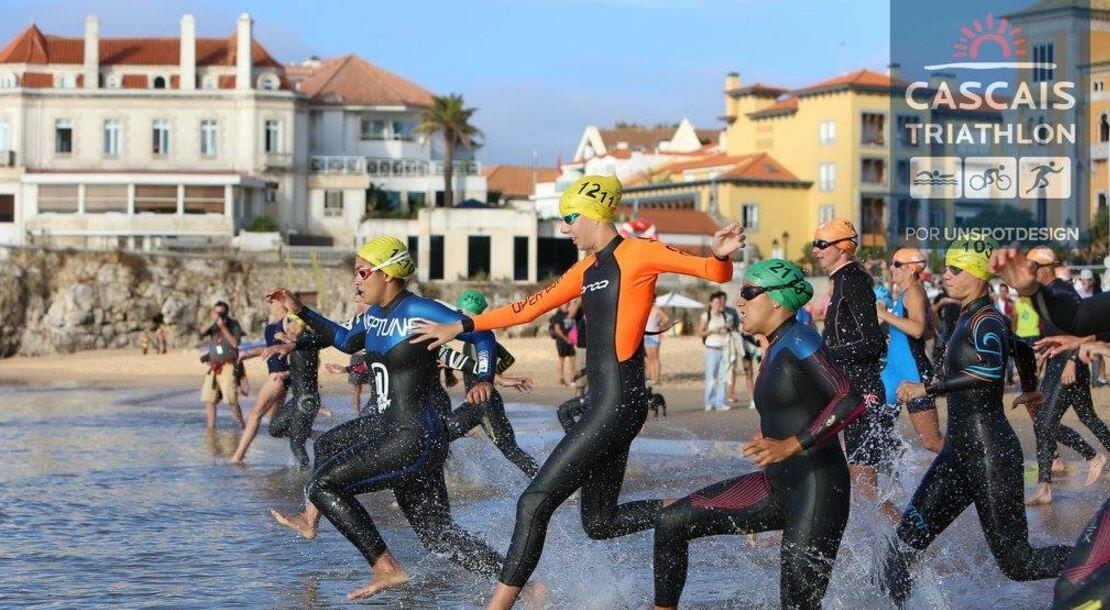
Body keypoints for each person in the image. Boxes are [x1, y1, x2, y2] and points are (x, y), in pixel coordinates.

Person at [409, 174, 744, 610]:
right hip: (604, 403)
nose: (565, 228)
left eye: (569, 218)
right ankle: (705, 509)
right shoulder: (587, 269)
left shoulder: (638, 252)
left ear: (593, 213)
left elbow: (710, 270)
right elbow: (527, 306)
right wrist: (463, 325)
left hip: (619, 402)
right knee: (600, 522)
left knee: (533, 502)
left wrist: (718, 255)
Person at [265, 236, 503, 601]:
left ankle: (386, 567)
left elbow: (481, 330)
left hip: (416, 435)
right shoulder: (374, 316)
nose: (356, 280)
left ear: (388, 274)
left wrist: (484, 378)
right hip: (393, 429)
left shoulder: (418, 310)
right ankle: (522, 584)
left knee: (325, 484)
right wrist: (301, 310)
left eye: (362, 272)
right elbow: (344, 341)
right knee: (438, 534)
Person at [651, 259, 864, 610]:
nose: (739, 301)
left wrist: (791, 444)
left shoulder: (801, 338)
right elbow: (797, 405)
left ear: (778, 300)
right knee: (672, 521)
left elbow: (850, 398)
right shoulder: (775, 346)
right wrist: (770, 435)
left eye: (749, 292)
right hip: (777, 484)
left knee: (797, 604)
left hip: (817, 488)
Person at [883, 234, 1070, 604]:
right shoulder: (974, 316)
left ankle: (1098, 559)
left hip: (990, 454)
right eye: (947, 268)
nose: (945, 275)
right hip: (958, 455)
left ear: (978, 273)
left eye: (955, 269)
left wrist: (928, 388)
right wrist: (1031, 389)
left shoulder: (985, 318)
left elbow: (989, 370)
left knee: (1018, 562)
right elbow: (1022, 349)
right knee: (902, 548)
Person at [809, 218, 897, 522]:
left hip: (863, 391)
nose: (815, 251)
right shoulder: (844, 280)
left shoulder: (854, 281)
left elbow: (872, 342)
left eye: (821, 244)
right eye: (815, 244)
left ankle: (911, 538)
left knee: (864, 485)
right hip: (849, 389)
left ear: (842, 247)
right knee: (849, 477)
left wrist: (824, 354)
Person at [1021, 247, 1109, 505]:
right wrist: (1043, 356)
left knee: (1043, 422)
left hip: (1068, 367)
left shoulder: (1062, 291)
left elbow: (1084, 327)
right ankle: (1051, 481)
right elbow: (1055, 332)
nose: (1027, 272)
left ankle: (1085, 460)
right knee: (1087, 416)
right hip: (1058, 364)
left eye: (1031, 267)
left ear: (1043, 269)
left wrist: (1072, 362)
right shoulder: (1048, 295)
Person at [443, 289, 540, 478]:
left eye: (460, 312)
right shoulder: (482, 337)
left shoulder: (476, 338)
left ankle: (547, 483)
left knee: (511, 451)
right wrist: (498, 373)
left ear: (471, 313)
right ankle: (448, 479)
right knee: (438, 438)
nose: (457, 316)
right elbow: (508, 359)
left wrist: (498, 378)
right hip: (474, 404)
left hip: (486, 405)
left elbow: (479, 367)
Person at [876, 248, 944, 454]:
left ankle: (972, 463)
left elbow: (917, 329)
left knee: (932, 442)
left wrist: (884, 315)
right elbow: (934, 330)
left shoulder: (914, 291)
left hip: (912, 375)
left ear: (910, 269)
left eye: (896, 264)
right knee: (876, 433)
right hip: (893, 373)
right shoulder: (906, 294)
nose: (891, 268)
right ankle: (894, 484)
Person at [227, 297, 292, 464]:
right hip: (278, 377)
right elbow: (271, 348)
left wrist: (287, 373)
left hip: (277, 377)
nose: (269, 303)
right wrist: (250, 353)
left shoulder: (288, 321)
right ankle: (317, 436)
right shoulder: (273, 323)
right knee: (275, 425)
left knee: (255, 414)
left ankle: (237, 457)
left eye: (273, 301)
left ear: (282, 302)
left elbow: (297, 348)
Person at [267, 313, 328, 469]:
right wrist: (284, 373)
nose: (288, 327)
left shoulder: (309, 341)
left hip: (307, 400)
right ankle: (308, 433)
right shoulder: (298, 343)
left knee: (296, 444)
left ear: (299, 325)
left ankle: (305, 479)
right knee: (274, 428)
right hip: (298, 399)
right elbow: (302, 367)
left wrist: (286, 339)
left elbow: (299, 345)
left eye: (291, 323)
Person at [198, 301, 246, 429]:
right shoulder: (213, 324)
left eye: (221, 312)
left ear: (227, 312)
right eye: (216, 312)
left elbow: (235, 343)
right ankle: (211, 429)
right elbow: (201, 333)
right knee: (209, 399)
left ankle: (242, 426)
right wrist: (212, 321)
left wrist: (224, 327)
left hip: (228, 365)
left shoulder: (233, 324)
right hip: (213, 367)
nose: (219, 314)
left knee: (231, 399)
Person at [699, 291, 733, 412]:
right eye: (716, 302)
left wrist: (728, 328)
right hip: (711, 349)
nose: (719, 304)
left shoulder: (727, 316)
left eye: (720, 302)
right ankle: (709, 402)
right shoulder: (706, 316)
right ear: (711, 303)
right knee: (711, 377)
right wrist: (713, 330)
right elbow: (700, 333)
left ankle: (720, 402)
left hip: (724, 348)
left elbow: (731, 330)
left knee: (723, 378)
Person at [548, 303, 577, 386]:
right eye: (564, 305)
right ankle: (561, 379)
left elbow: (573, 327)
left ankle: (572, 377)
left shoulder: (570, 314)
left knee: (573, 359)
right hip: (561, 341)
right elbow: (557, 330)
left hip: (571, 341)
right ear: (560, 306)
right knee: (562, 360)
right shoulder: (557, 315)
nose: (566, 306)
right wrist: (566, 339)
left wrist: (573, 339)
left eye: (568, 304)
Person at [644, 303, 670, 387]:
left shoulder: (656, 309)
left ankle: (656, 378)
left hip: (654, 336)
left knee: (655, 358)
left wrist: (660, 326)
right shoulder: (646, 308)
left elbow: (666, 318)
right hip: (646, 336)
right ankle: (650, 377)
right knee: (649, 358)